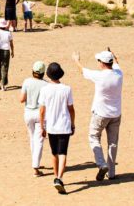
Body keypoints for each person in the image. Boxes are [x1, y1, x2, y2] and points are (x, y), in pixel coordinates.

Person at [72, 49, 123, 181]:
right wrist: (113, 54)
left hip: (100, 113)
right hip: (116, 114)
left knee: (94, 136)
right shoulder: (119, 73)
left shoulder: (99, 76)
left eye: (99, 61)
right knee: (113, 143)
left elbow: (83, 70)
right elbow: (117, 62)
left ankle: (101, 164)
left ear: (102, 63)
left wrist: (76, 60)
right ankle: (111, 173)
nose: (98, 62)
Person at [38, 62, 74, 194]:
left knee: (54, 153)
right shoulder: (67, 89)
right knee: (63, 153)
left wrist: (42, 127)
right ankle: (59, 177)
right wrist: (73, 123)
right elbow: (71, 109)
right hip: (64, 125)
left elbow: (42, 111)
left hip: (51, 126)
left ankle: (55, 177)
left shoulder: (45, 89)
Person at [20, 60, 48, 176]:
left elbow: (21, 99)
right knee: (39, 140)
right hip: (41, 114)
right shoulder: (46, 85)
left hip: (28, 113)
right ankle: (35, 166)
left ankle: (35, 161)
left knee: (32, 138)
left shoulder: (27, 82)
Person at [0, 18, 15, 90]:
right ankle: (3, 85)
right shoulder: (8, 33)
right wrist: (12, 51)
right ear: (5, 26)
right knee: (5, 67)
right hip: (6, 51)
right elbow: (11, 44)